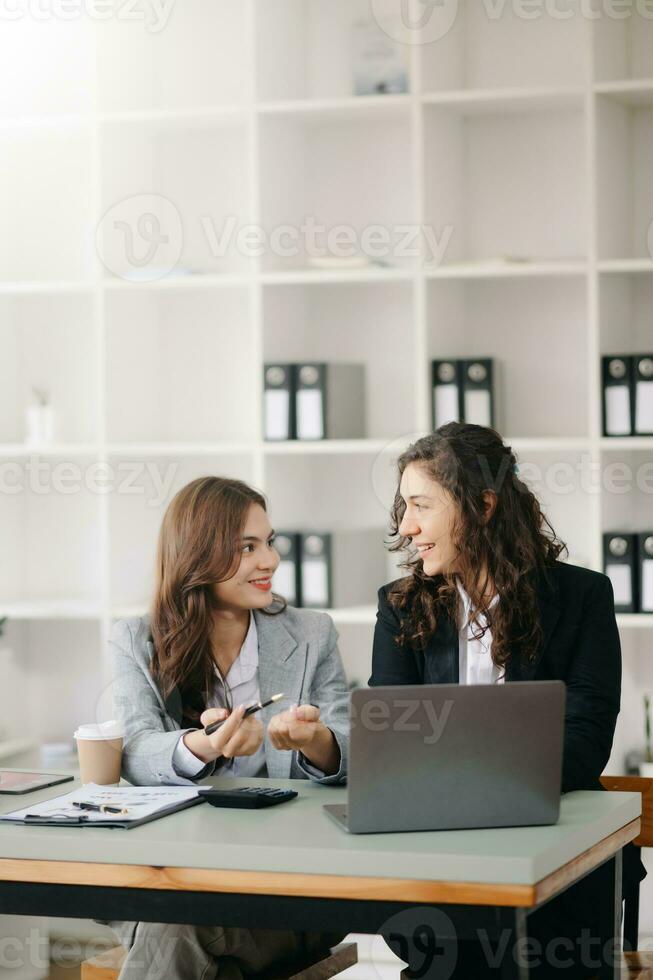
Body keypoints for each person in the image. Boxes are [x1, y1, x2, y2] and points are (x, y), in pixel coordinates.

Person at [371, 422, 645, 980]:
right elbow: (392, 742)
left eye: (421, 505)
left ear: (483, 505)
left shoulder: (581, 598)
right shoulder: (401, 606)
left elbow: (584, 742)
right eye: (404, 507)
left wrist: (463, 779)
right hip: (439, 857)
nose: (407, 526)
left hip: (558, 857)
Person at [103, 476, 349, 980]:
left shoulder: (311, 633)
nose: (271, 561)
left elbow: (353, 746)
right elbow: (134, 748)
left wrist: (315, 741)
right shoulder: (137, 639)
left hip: (293, 883)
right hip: (176, 873)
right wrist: (202, 745)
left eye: (270, 542)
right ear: (197, 556)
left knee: (172, 929)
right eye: (247, 548)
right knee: (190, 942)